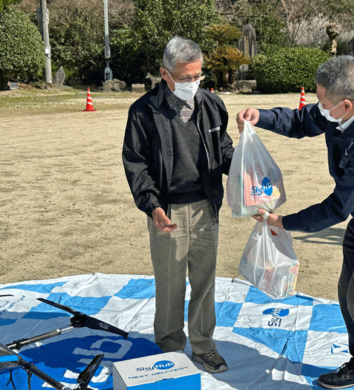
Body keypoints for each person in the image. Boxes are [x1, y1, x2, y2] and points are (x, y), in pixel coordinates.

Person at [236, 55, 354, 390]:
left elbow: (337, 207)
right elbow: (302, 121)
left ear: (344, 103)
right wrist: (262, 117)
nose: (317, 105)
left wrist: (284, 221)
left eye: (323, 101)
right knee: (348, 292)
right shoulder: (347, 112)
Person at [122, 36, 234, 374]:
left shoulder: (212, 105)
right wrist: (151, 205)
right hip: (167, 210)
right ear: (165, 74)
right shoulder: (144, 111)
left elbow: (224, 148)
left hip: (206, 208)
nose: (193, 83)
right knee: (169, 283)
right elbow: (136, 162)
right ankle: (169, 348)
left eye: (198, 76)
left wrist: (248, 165)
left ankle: (204, 346)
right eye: (185, 77)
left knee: (205, 281)